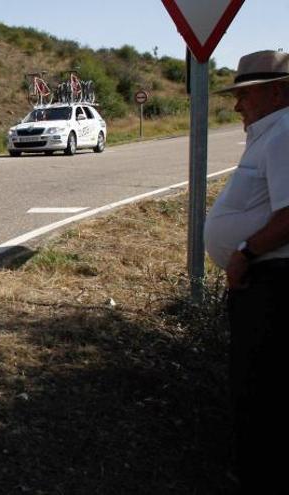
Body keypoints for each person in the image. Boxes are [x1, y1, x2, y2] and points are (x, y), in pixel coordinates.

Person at [204, 50, 289, 493]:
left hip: (273, 282)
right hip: (263, 279)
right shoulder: (270, 133)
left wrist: (244, 253)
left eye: (245, 96)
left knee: (260, 386)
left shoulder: (285, 133)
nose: (238, 106)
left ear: (277, 92)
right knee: (253, 382)